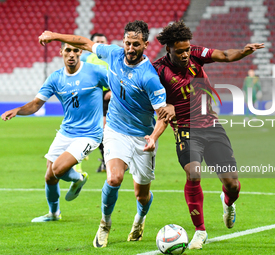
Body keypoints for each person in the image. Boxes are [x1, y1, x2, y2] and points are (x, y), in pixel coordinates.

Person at [38, 20, 175, 248]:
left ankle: (139, 220)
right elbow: (83, 41)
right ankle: (105, 224)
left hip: (143, 136)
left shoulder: (149, 77)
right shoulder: (112, 53)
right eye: (128, 43)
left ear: (146, 45)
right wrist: (55, 35)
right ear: (123, 41)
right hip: (115, 130)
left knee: (141, 194)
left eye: (136, 45)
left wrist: (154, 137)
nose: (131, 49)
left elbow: (162, 115)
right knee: (113, 178)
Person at [153, 20, 265, 250]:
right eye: (179, 51)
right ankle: (200, 231)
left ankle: (228, 201)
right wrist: (166, 109)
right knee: (193, 173)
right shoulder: (158, 70)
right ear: (168, 50)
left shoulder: (196, 54)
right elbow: (153, 100)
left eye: (186, 49)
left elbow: (224, 55)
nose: (185, 54)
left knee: (232, 184)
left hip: (211, 125)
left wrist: (243, 51)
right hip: (185, 128)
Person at [1, 42, 109, 222]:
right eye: (68, 50)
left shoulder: (95, 72)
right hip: (66, 131)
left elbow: (120, 86)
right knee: (50, 176)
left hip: (90, 134)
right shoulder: (55, 78)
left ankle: (79, 178)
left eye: (75, 50)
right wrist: (18, 110)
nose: (72, 54)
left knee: (57, 169)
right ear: (61, 52)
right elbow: (36, 104)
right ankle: (53, 213)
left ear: (80, 52)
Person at [84, 33, 111, 173]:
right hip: (95, 96)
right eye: (97, 41)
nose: (100, 43)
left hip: (110, 95)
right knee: (100, 129)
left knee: (106, 128)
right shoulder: (89, 59)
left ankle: (111, 161)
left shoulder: (112, 57)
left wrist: (114, 90)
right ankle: (108, 161)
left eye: (102, 41)